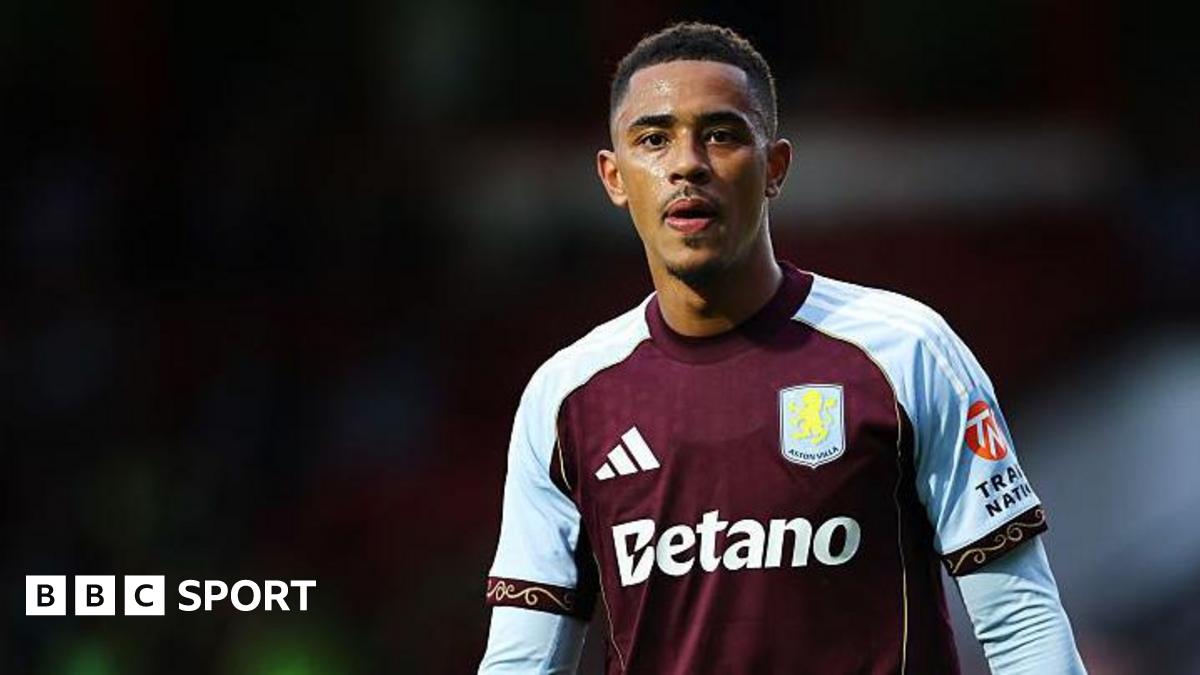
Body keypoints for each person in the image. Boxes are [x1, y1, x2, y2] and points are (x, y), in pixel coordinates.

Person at [479, 21, 1086, 674]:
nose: (687, 163)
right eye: (654, 138)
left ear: (774, 167)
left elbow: (1021, 622)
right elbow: (522, 661)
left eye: (721, 134)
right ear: (614, 175)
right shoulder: (566, 395)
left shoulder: (907, 351)